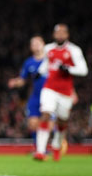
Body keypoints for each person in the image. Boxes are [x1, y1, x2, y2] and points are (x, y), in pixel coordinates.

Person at [34, 24, 88, 161]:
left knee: (62, 121)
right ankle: (40, 151)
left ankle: (57, 146)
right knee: (46, 113)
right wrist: (39, 72)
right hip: (49, 88)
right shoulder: (48, 49)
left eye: (63, 33)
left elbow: (83, 70)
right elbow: (46, 64)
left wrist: (68, 69)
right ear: (54, 35)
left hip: (65, 91)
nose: (60, 35)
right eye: (57, 33)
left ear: (67, 35)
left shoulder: (74, 50)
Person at [7, 35, 46, 146]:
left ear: (43, 44)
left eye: (38, 43)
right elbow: (23, 80)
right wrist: (15, 82)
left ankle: (54, 144)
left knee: (48, 123)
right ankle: (39, 149)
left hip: (49, 97)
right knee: (33, 123)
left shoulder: (50, 60)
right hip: (35, 96)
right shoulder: (29, 63)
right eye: (33, 44)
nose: (36, 46)